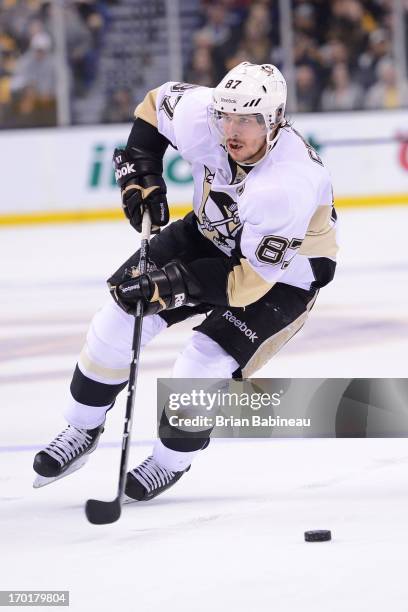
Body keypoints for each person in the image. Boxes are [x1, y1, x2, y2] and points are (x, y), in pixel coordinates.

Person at [33, 62, 338, 501]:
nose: (232, 129)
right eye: (226, 116)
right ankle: (81, 427)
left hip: (283, 277)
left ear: (274, 121)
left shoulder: (285, 186)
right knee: (117, 319)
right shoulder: (205, 115)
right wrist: (142, 171)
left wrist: (172, 283)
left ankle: (168, 462)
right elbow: (155, 106)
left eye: (249, 119)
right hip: (210, 234)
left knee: (202, 363)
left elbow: (246, 284)